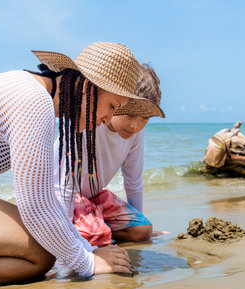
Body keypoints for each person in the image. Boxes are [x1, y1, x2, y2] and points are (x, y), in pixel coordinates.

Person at [0, 42, 155, 289]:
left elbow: (44, 200)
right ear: (89, 88)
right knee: (42, 252)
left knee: (46, 247)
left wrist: (86, 249)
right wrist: (88, 262)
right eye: (112, 106)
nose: (108, 120)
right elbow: (36, 206)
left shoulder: (34, 92)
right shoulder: (34, 100)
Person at [54, 64, 165, 247]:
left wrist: (137, 218)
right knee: (95, 235)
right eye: (130, 115)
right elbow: (64, 186)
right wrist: (64, 237)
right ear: (117, 101)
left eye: (145, 118)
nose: (135, 126)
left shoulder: (135, 135)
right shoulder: (88, 121)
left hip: (95, 197)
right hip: (63, 196)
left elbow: (133, 180)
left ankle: (97, 224)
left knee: (143, 230)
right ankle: (94, 228)